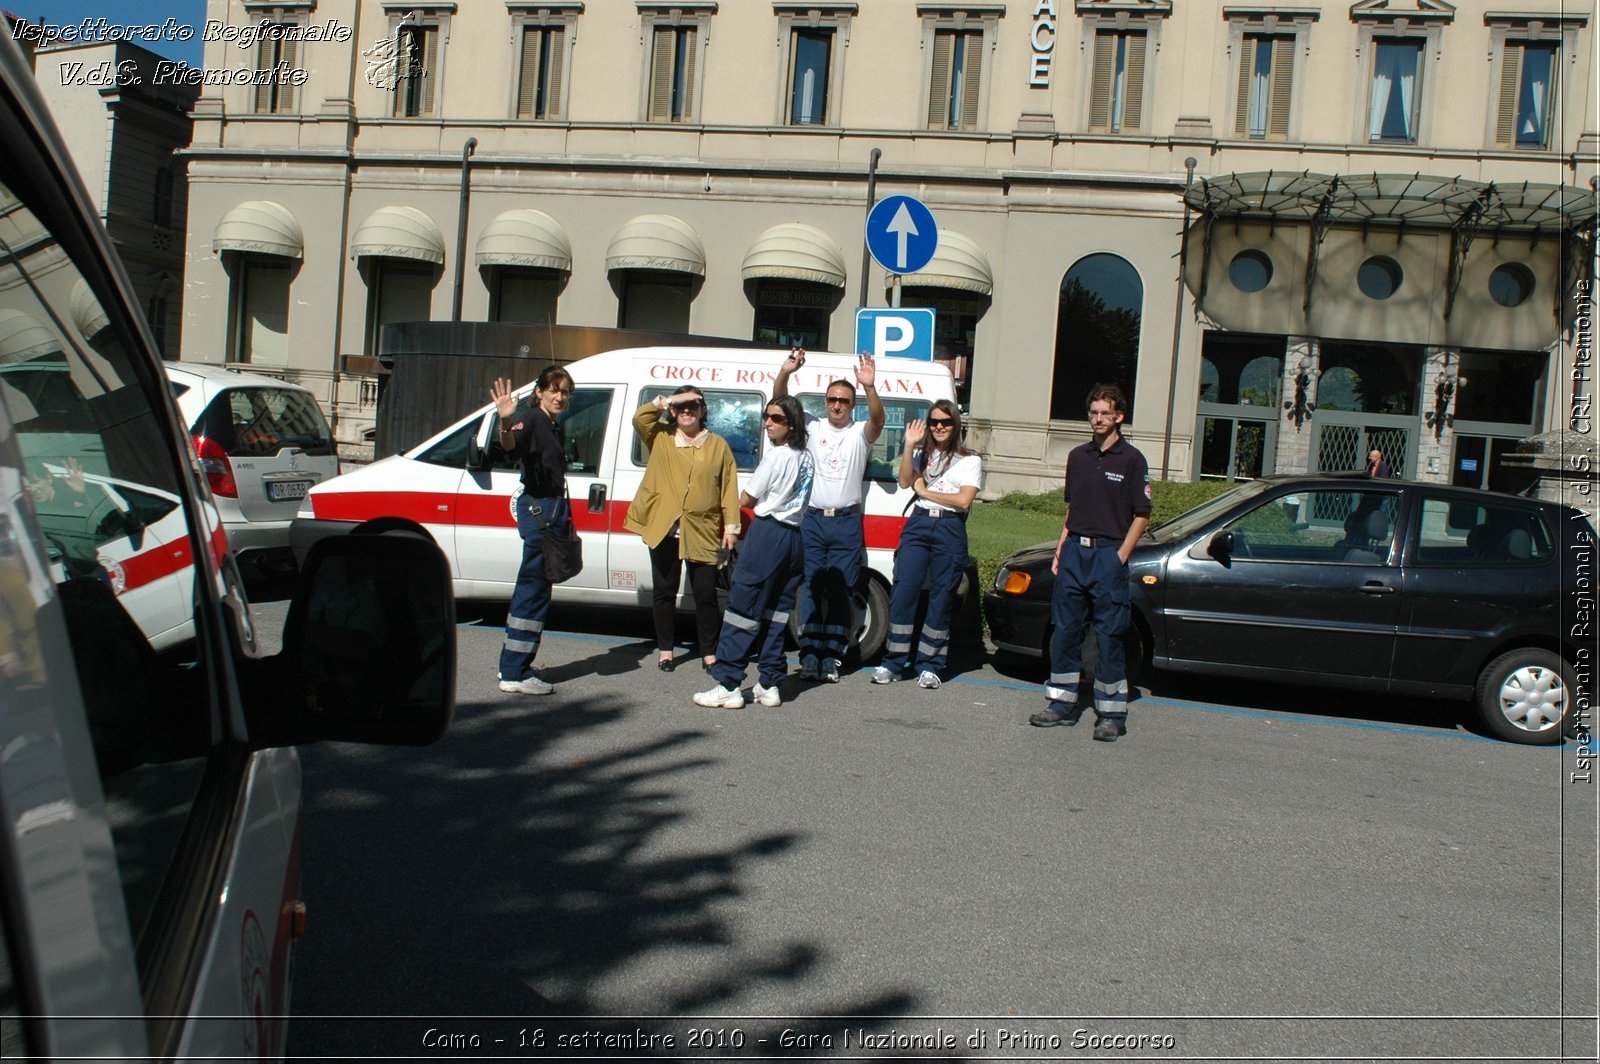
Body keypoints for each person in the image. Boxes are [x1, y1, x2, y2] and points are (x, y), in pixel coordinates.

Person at [1029, 383, 1150, 742]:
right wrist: (1060, 548)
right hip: (1074, 555)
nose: (1098, 419)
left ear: (1119, 417)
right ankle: (1061, 704)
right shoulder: (1078, 457)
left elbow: (1141, 515)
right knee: (1065, 630)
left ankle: (1111, 714)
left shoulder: (1132, 460)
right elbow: (1073, 509)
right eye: (1093, 412)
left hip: (1107, 555)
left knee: (1109, 635)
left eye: (1105, 413)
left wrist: (1120, 556)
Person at [773, 347, 885, 683]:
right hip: (813, 520)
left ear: (853, 405)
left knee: (840, 590)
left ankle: (832, 657)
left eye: (845, 401)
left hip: (846, 522)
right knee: (809, 587)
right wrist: (786, 372)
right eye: (832, 399)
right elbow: (781, 404)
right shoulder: (811, 427)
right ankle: (809, 655)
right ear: (825, 402)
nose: (837, 405)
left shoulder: (859, 433)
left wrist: (868, 386)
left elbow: (878, 419)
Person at [694, 395, 814, 709]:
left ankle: (728, 684)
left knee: (742, 607)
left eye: (776, 418)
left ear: (791, 424)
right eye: (766, 416)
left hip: (769, 534)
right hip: (794, 537)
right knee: (776, 610)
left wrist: (724, 518)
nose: (768, 423)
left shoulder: (777, 456)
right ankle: (769, 683)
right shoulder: (806, 456)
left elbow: (747, 497)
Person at [624, 385, 741, 672]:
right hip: (664, 527)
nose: (687, 411)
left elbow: (728, 487)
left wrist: (731, 526)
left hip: (701, 529)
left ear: (703, 411)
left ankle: (709, 653)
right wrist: (667, 401)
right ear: (673, 410)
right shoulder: (660, 436)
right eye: (682, 406)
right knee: (664, 591)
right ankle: (666, 650)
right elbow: (640, 418)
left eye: (694, 405)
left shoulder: (718, 445)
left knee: (705, 594)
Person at [872, 399, 982, 689]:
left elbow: (963, 500)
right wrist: (909, 445)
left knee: (941, 596)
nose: (939, 427)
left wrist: (926, 491)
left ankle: (930, 665)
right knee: (904, 590)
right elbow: (906, 481)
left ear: (955, 424)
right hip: (919, 524)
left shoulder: (970, 459)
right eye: (934, 422)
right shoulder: (921, 454)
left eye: (945, 422)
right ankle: (893, 663)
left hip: (949, 527)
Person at [491, 367, 574, 696]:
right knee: (532, 592)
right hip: (541, 509)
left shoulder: (551, 424)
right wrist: (504, 422)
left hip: (548, 508)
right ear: (539, 391)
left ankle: (513, 664)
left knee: (535, 589)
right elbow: (511, 446)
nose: (559, 396)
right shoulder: (532, 419)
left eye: (565, 391)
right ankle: (514, 672)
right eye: (553, 390)